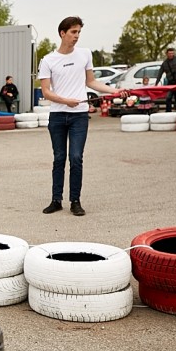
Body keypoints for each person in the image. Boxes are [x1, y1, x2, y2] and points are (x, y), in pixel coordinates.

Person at [37, 16, 127, 217]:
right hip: (58, 115)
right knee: (59, 158)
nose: (77, 36)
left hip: (78, 116)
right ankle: (56, 200)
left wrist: (114, 91)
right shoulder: (48, 60)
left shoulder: (85, 54)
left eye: (79, 32)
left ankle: (75, 201)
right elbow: (45, 92)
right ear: (62, 33)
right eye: (73, 32)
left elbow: (92, 82)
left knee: (76, 158)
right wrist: (65, 100)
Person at [154, 48, 176, 112]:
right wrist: (156, 83)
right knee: (168, 97)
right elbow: (160, 73)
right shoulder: (164, 63)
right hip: (171, 82)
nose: (171, 55)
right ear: (167, 54)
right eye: (169, 53)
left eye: (172, 53)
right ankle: (168, 111)